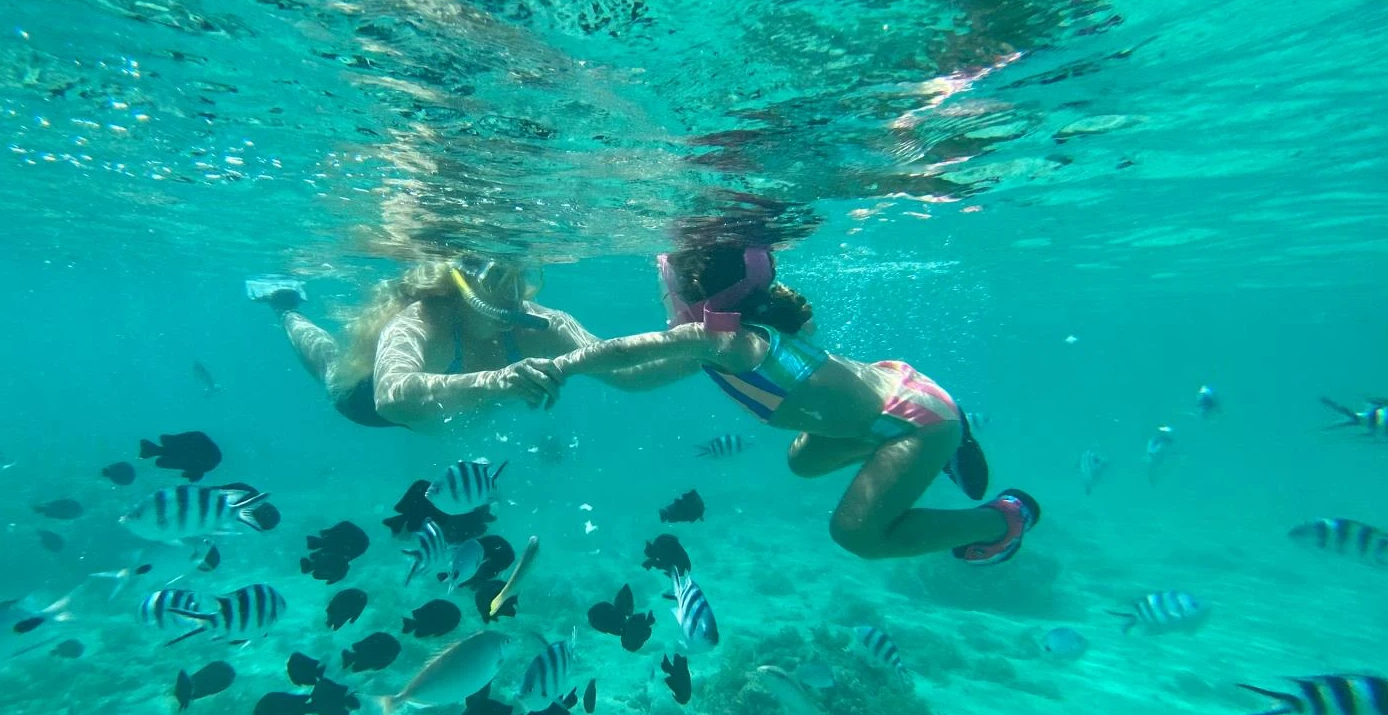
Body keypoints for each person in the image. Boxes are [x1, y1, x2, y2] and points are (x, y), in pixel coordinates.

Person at [547, 240, 1039, 565]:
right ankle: (922, 442)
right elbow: (637, 377)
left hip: (917, 421)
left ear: (692, 298)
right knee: (801, 462)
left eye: (666, 291)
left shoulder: (720, 341)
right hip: (894, 392)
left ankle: (1006, 519)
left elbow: (626, 351)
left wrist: (560, 367)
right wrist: (555, 329)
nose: (663, 300)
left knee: (857, 535)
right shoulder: (723, 338)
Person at [249, 257, 680, 431]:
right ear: (462, 280)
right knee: (330, 368)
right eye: (498, 277)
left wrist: (707, 347)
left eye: (521, 277)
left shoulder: (541, 323)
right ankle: (284, 307)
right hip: (367, 402)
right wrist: (497, 381)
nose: (514, 294)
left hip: (451, 416)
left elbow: (629, 375)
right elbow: (390, 397)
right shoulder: (425, 318)